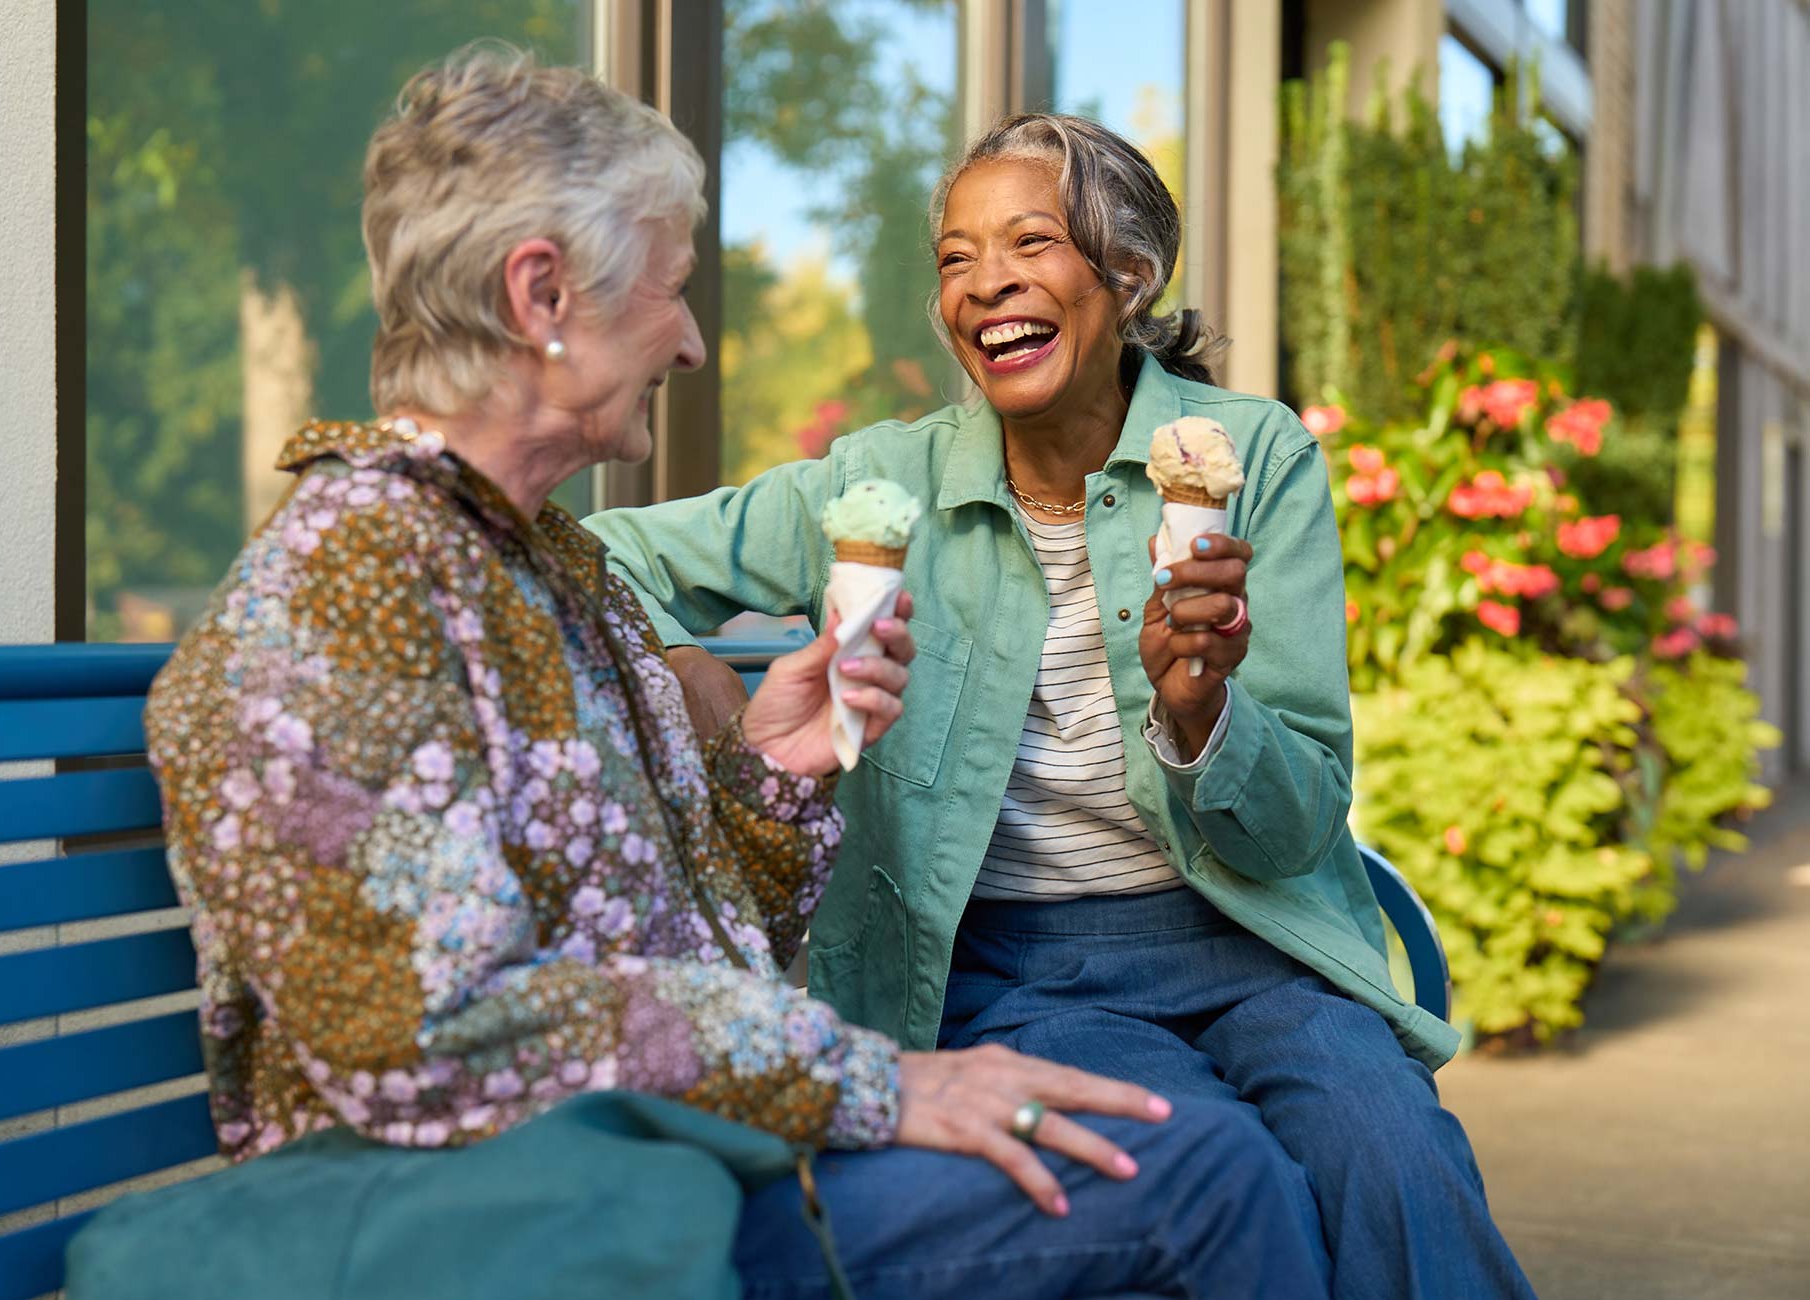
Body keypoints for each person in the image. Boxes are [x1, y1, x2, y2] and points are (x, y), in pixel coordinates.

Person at [143, 49, 1330, 1300]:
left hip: (663, 1156)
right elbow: (431, 1035)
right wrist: (874, 1078)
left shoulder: (551, 572)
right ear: (542, 294)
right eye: (669, 288)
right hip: (515, 1222)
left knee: (1207, 1155)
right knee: (1200, 1177)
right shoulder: (347, 598)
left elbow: (670, 940)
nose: (696, 343)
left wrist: (768, 777)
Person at [588, 113, 1536, 1299]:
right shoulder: (884, 479)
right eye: (954, 257)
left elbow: (1298, 825)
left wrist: (1203, 719)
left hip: (1255, 937)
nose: (986, 284)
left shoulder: (1256, 458)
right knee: (1220, 1175)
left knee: (1392, 1160)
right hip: (1026, 968)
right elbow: (594, 551)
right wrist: (693, 684)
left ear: (1127, 274)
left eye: (1028, 242)